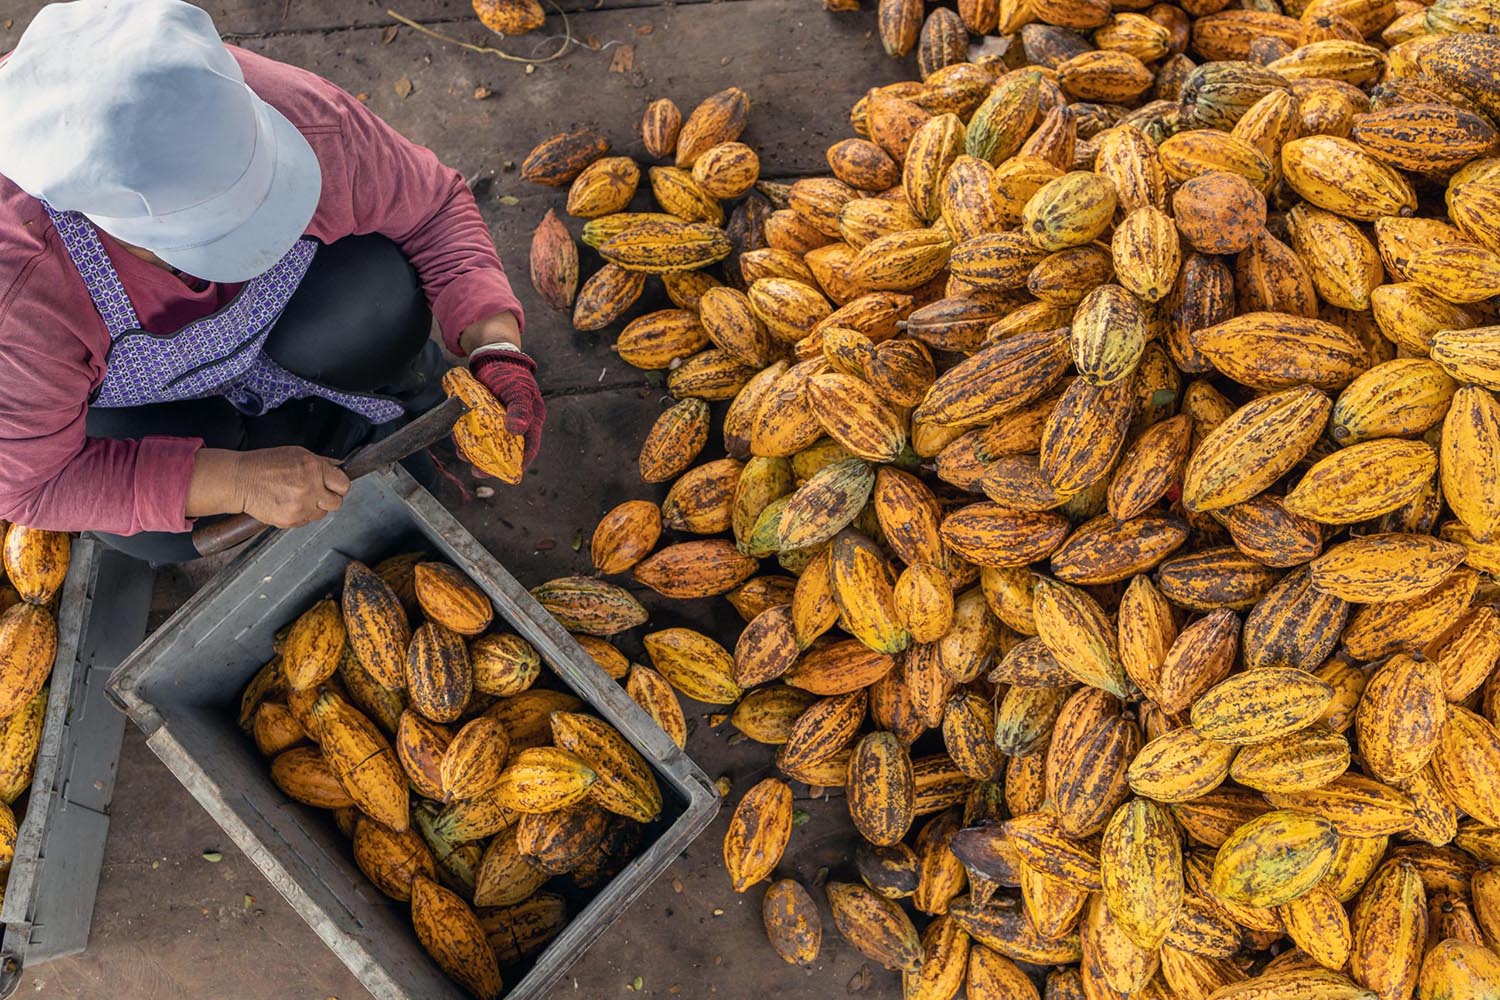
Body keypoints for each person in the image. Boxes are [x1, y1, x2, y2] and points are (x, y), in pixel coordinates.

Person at [0, 0, 545, 563]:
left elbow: (433, 209)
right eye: (208, 237)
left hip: (288, 312)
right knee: (152, 532)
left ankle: (397, 398)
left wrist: (498, 345)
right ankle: (284, 453)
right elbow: (31, 485)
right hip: (133, 399)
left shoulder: (280, 110)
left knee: (378, 300)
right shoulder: (21, 294)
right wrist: (238, 480)